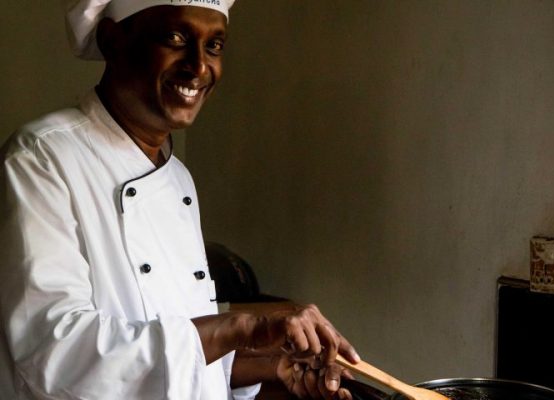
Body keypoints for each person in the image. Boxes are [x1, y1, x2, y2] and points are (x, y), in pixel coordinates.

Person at [0, 1, 360, 399]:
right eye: (175, 38)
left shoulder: (178, 179)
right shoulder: (41, 157)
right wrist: (242, 326)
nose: (199, 66)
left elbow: (176, 347)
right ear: (112, 40)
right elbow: (54, 353)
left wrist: (273, 370)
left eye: (214, 46)